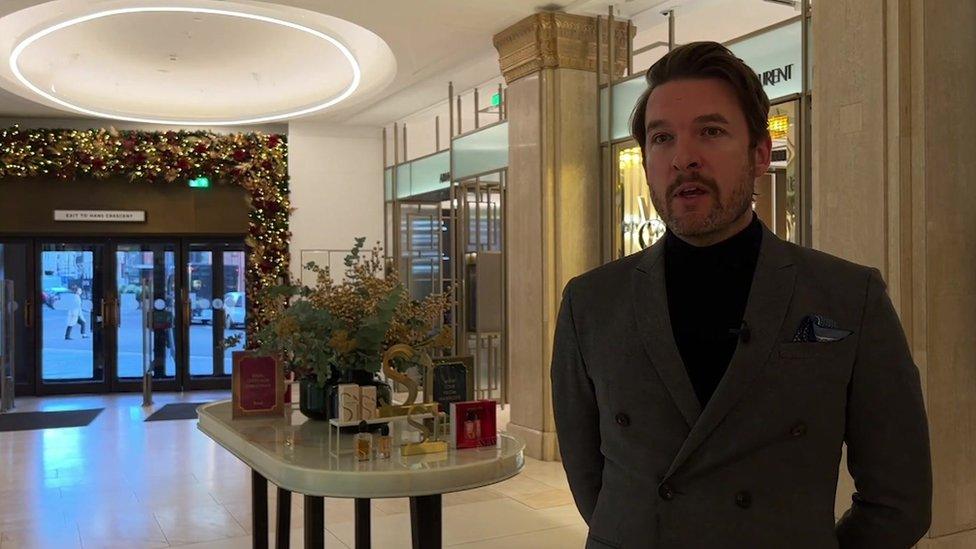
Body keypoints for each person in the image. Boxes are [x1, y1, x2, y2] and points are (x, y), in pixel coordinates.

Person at [551, 42, 931, 549]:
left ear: (758, 155)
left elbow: (899, 500)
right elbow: (591, 483)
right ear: (646, 163)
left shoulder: (848, 296)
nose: (684, 157)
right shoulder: (590, 303)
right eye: (662, 138)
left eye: (710, 131)